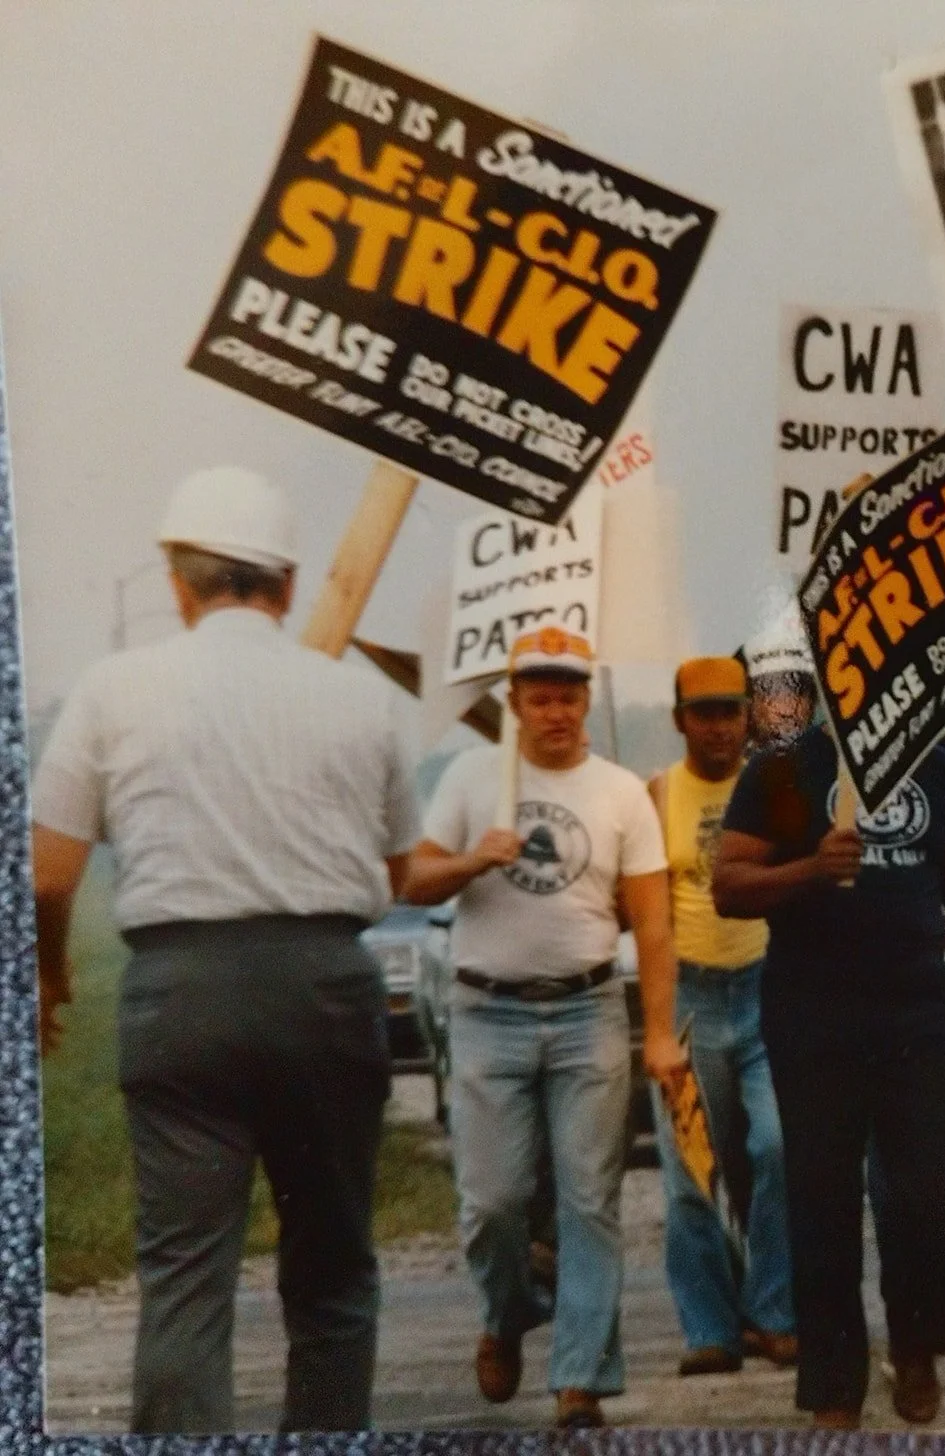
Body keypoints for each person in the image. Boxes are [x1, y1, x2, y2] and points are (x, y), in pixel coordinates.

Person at [31, 467, 417, 1432]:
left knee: (184, 1282)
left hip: (181, 994)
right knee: (332, 1276)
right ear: (287, 587)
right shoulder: (361, 703)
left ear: (178, 582)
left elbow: (45, 875)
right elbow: (405, 866)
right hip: (326, 988)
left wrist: (50, 972)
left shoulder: (114, 690)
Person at [714, 727, 945, 1429]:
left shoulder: (934, 761)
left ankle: (917, 1335)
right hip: (811, 1013)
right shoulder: (782, 769)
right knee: (823, 1200)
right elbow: (730, 885)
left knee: (940, 1185)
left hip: (916, 1009)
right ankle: (834, 1388)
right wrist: (809, 868)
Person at [406, 627, 685, 1430]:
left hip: (585, 1011)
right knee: (491, 1202)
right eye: (540, 698)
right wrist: (472, 861)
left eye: (568, 696)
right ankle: (507, 1313)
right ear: (516, 705)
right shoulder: (470, 778)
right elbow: (417, 880)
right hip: (486, 1011)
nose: (555, 712)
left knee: (590, 1197)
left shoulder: (621, 793)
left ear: (585, 700)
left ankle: (581, 1378)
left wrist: (660, 1033)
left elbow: (656, 927)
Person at [647, 656, 797, 1376]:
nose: (718, 726)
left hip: (770, 989)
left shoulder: (773, 787)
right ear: (679, 719)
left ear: (750, 715)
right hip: (691, 998)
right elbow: (640, 908)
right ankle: (710, 1328)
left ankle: (773, 1312)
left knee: (778, 1146)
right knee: (691, 1170)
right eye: (703, 712)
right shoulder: (657, 795)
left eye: (730, 711)